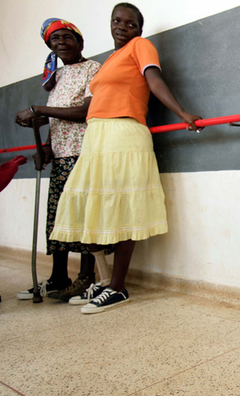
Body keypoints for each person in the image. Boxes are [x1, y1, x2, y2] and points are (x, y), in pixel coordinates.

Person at [50, 3, 202, 313]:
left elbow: (154, 79)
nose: (122, 26)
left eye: (130, 23)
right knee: (88, 206)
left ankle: (118, 287)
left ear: (139, 29)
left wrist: (182, 112)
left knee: (122, 210)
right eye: (116, 20)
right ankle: (104, 280)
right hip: (96, 136)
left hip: (124, 132)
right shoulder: (108, 60)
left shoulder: (140, 46)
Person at [14, 18, 106, 302]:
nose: (61, 43)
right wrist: (45, 145)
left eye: (66, 38)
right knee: (58, 220)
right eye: (55, 40)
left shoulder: (94, 69)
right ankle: (57, 278)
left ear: (80, 42)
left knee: (84, 218)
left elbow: (85, 112)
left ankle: (87, 277)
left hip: (83, 153)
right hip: (62, 153)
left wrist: (37, 108)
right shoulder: (60, 77)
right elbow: (57, 116)